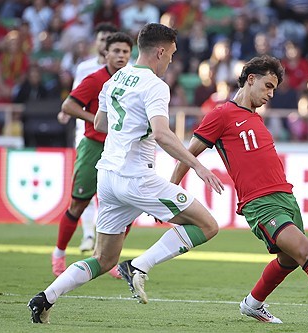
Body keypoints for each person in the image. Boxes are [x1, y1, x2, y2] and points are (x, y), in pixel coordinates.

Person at [28, 23, 223, 324]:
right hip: (137, 178)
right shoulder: (156, 85)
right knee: (208, 225)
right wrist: (197, 165)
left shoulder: (116, 78)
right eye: (171, 54)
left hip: (107, 176)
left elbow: (102, 124)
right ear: (160, 51)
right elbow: (161, 134)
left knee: (105, 259)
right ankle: (140, 266)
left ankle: (45, 297)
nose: (171, 59)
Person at [170, 55, 308, 325]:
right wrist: (169, 193)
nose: (270, 94)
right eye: (268, 86)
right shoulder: (221, 114)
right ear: (251, 79)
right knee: (305, 252)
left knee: (290, 260)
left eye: (274, 89)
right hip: (260, 204)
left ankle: (253, 304)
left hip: (286, 199)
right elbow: (187, 155)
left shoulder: (255, 119)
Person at [51, 32, 133, 279]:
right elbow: (68, 106)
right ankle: (58, 254)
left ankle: (107, 258)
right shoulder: (95, 79)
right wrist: (97, 121)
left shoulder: (133, 80)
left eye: (125, 52)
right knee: (78, 203)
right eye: (116, 51)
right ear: (105, 53)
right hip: (94, 147)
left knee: (126, 206)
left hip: (120, 149)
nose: (120, 56)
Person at [57, 23, 119, 253]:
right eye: (102, 39)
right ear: (98, 43)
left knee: (113, 198)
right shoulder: (87, 71)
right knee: (85, 195)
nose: (106, 44)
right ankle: (88, 234)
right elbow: (76, 97)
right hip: (87, 136)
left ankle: (102, 249)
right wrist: (73, 114)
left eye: (110, 39)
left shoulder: (129, 72)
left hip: (116, 142)